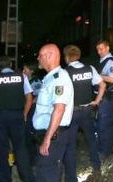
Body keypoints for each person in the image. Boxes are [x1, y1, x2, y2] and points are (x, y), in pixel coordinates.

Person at [0, 56, 36, 182]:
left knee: (1, 151)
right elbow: (29, 98)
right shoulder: (22, 77)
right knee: (21, 150)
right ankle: (28, 179)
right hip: (17, 116)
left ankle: (4, 179)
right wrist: (25, 114)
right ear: (10, 64)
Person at [62, 45, 106, 180]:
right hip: (87, 111)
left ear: (67, 57)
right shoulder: (90, 69)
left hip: (72, 113)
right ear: (78, 55)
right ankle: (97, 166)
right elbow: (102, 84)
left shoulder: (65, 72)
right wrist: (97, 101)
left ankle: (71, 177)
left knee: (70, 146)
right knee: (91, 139)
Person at [33, 44, 74, 182]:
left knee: (48, 175)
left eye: (40, 55)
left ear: (50, 56)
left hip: (54, 136)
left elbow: (59, 109)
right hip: (50, 134)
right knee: (43, 173)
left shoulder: (59, 79)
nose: (38, 58)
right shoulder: (50, 78)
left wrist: (47, 139)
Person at [94, 40, 113, 160]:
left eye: (101, 49)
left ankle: (105, 152)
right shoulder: (102, 61)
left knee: (104, 125)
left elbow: (112, 79)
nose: (99, 52)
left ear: (107, 48)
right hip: (103, 97)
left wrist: (96, 76)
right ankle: (102, 149)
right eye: (97, 49)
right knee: (100, 124)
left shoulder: (111, 62)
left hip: (107, 97)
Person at [22, 62, 41, 165]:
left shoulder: (35, 81)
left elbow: (39, 96)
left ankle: (34, 159)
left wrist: (29, 102)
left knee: (31, 134)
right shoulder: (23, 81)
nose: (23, 72)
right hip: (25, 109)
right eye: (23, 70)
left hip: (32, 110)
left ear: (32, 71)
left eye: (26, 70)